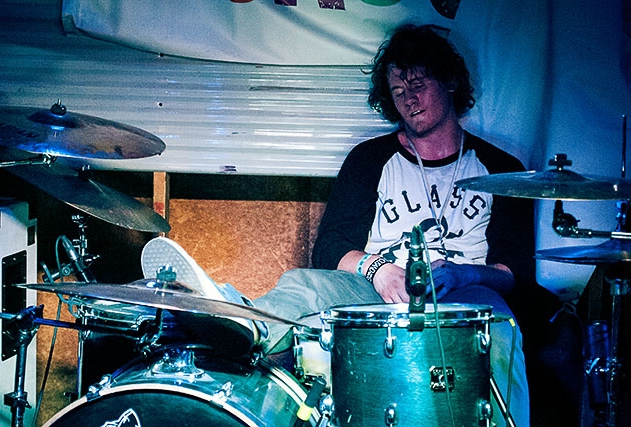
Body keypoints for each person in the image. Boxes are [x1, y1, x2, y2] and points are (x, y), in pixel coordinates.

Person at [141, 23, 534, 427]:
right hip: (376, 287)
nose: (409, 99)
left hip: (466, 294)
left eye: (418, 84)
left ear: (450, 81)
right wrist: (379, 270)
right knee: (304, 283)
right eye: (398, 91)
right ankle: (238, 323)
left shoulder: (503, 169)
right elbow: (329, 247)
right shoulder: (369, 159)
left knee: (501, 332)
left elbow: (514, 273)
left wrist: (464, 273)